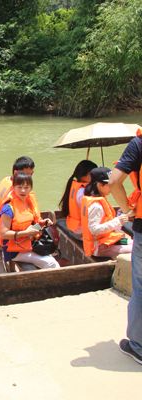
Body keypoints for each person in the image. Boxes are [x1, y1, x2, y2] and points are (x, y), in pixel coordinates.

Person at [109, 133, 142, 364]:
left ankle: (138, 346)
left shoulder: (138, 144)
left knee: (141, 287)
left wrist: (127, 208)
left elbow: (113, 181)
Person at [0, 172, 60, 269]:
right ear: (13, 187)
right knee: (52, 264)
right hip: (15, 251)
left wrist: (42, 223)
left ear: (31, 188)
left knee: (52, 256)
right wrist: (25, 233)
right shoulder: (8, 208)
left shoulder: (28, 202)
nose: (23, 190)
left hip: (29, 243)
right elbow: (3, 233)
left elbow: (30, 224)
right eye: (19, 187)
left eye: (26, 187)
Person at [81, 167, 131, 258]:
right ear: (100, 185)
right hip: (99, 247)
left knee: (135, 243)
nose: (112, 187)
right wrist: (118, 221)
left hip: (108, 241)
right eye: (109, 184)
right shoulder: (96, 206)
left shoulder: (96, 199)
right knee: (135, 249)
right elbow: (94, 230)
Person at [0, 156, 39, 244]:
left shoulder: (6, 180)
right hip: (4, 235)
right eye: (25, 175)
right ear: (16, 173)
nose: (28, 178)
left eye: (30, 174)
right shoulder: (16, 191)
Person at [58, 160, 98, 236]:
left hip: (75, 226)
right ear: (88, 175)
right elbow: (92, 213)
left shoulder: (75, 186)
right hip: (81, 231)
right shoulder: (83, 191)